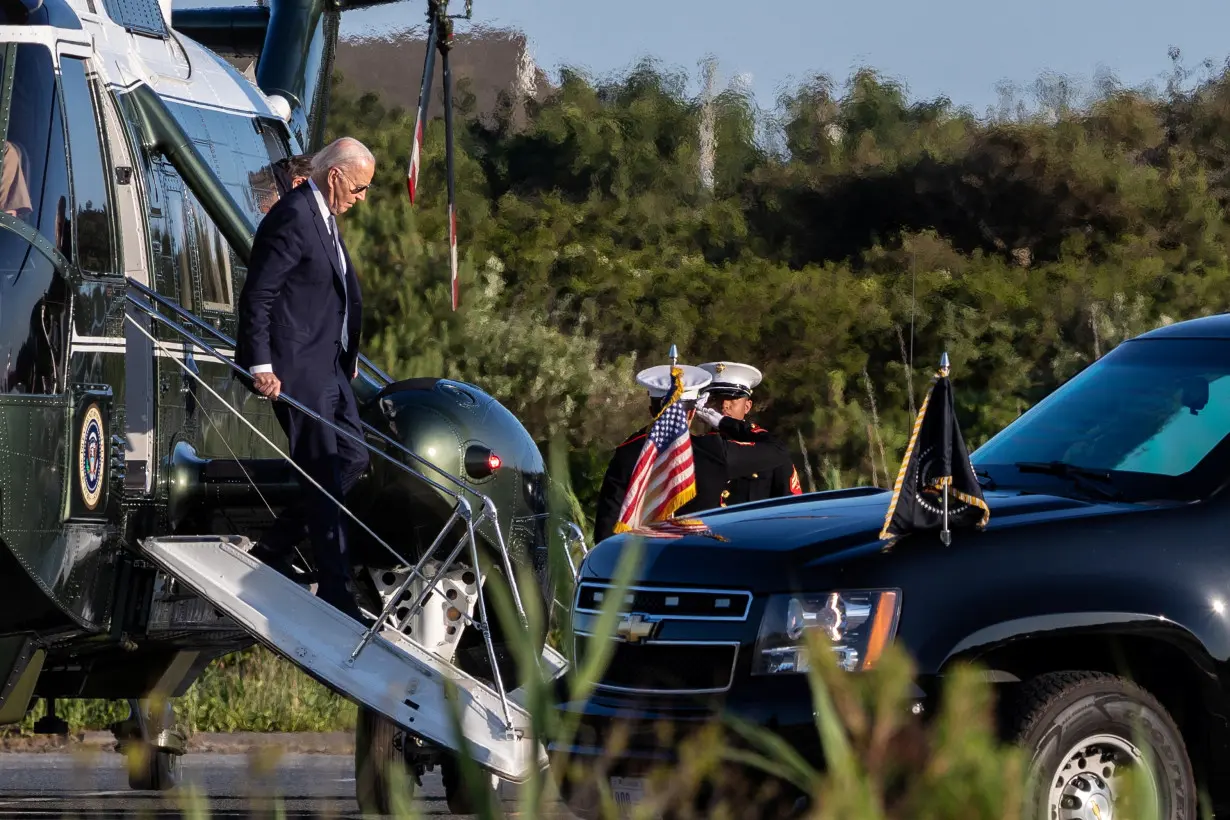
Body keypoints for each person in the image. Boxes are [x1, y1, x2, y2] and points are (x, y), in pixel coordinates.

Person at [236, 136, 374, 620]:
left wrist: (347, 350)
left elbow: (335, 293)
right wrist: (261, 364)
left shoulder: (326, 219)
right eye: (358, 188)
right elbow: (259, 294)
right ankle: (337, 591)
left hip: (330, 366)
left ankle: (274, 548)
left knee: (353, 458)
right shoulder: (293, 215)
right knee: (321, 471)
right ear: (334, 175)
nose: (361, 198)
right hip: (296, 367)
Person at [592, 362, 793, 543]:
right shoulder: (712, 450)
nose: (724, 404)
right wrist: (726, 423)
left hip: (642, 566)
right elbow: (778, 449)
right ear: (692, 412)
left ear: (651, 410)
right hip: (697, 563)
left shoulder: (628, 453)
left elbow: (607, 527)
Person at [695, 361, 803, 506]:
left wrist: (726, 424)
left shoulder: (768, 450)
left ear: (747, 406)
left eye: (732, 398)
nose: (724, 405)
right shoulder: (700, 447)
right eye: (717, 398)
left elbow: (791, 506)